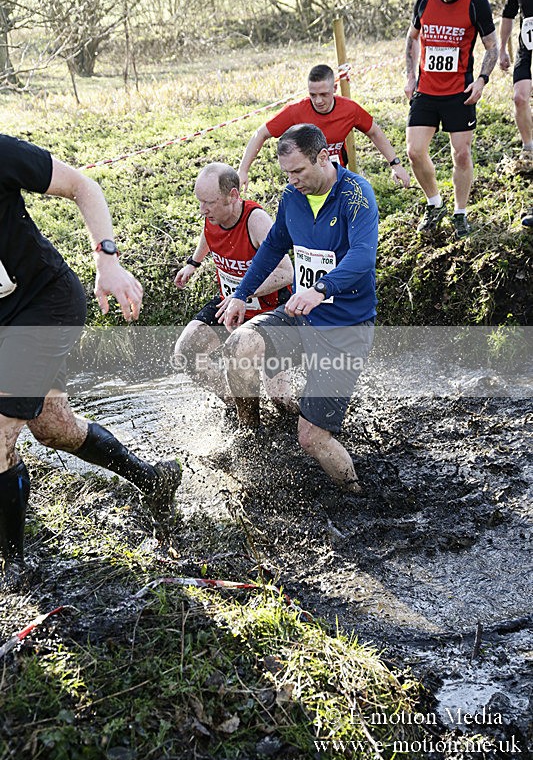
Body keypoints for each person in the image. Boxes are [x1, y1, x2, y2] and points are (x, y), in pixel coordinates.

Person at [0, 134, 182, 579]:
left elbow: (84, 187)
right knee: (54, 428)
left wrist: (108, 262)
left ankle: (14, 564)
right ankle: (151, 478)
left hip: (46, 303)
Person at [223, 124, 377, 494]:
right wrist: (241, 294)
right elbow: (273, 246)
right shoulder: (292, 198)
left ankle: (357, 497)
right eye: (287, 174)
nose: (292, 181)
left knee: (311, 440)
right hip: (300, 317)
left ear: (323, 157)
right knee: (240, 346)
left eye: (299, 172)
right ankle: (251, 436)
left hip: (344, 327)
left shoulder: (356, 195)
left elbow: (362, 257)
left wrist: (321, 289)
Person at [173, 163, 293, 401]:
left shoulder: (256, 221)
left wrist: (242, 293)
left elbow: (287, 273)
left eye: (209, 202)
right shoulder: (213, 215)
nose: (202, 210)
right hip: (229, 304)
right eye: (200, 201)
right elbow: (208, 233)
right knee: (186, 352)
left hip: (270, 312)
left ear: (233, 196)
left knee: (281, 401)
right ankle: (232, 402)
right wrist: (193, 263)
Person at [405, 0, 497, 238]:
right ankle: (435, 203)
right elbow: (412, 39)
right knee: (414, 151)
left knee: (462, 153)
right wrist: (410, 77)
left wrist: (481, 80)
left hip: (459, 92)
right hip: (426, 91)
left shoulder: (476, 2)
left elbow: (492, 47)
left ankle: (460, 212)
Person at [238, 64, 410, 191]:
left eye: (324, 94)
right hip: (304, 184)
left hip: (336, 179)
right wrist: (243, 170)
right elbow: (260, 133)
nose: (318, 101)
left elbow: (375, 132)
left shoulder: (349, 109)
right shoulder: (295, 110)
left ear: (334, 89)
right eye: (313, 95)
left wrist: (395, 164)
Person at [499, 0, 533, 171]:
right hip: (526, 49)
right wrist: (502, 49)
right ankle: (529, 150)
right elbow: (508, 14)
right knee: (520, 97)